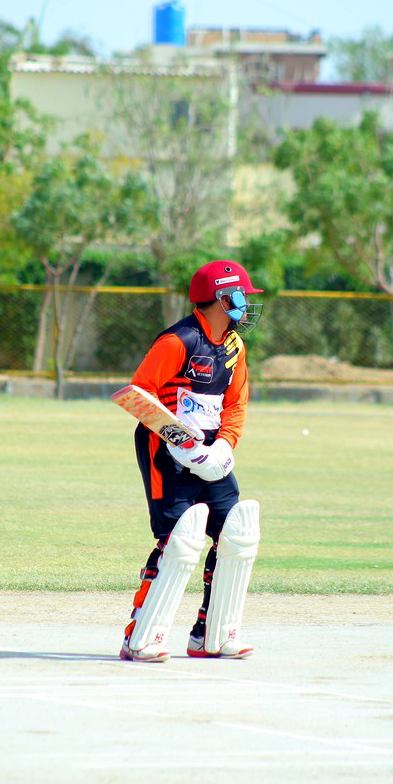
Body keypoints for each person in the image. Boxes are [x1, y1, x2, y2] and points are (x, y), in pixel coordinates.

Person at [120, 260, 265, 663]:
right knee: (179, 540)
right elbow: (138, 395)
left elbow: (235, 404)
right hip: (165, 450)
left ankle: (210, 636)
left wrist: (224, 447)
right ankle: (140, 638)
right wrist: (182, 443)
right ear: (222, 298)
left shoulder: (234, 347)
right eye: (241, 295)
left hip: (211, 453)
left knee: (236, 534)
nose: (246, 302)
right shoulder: (177, 342)